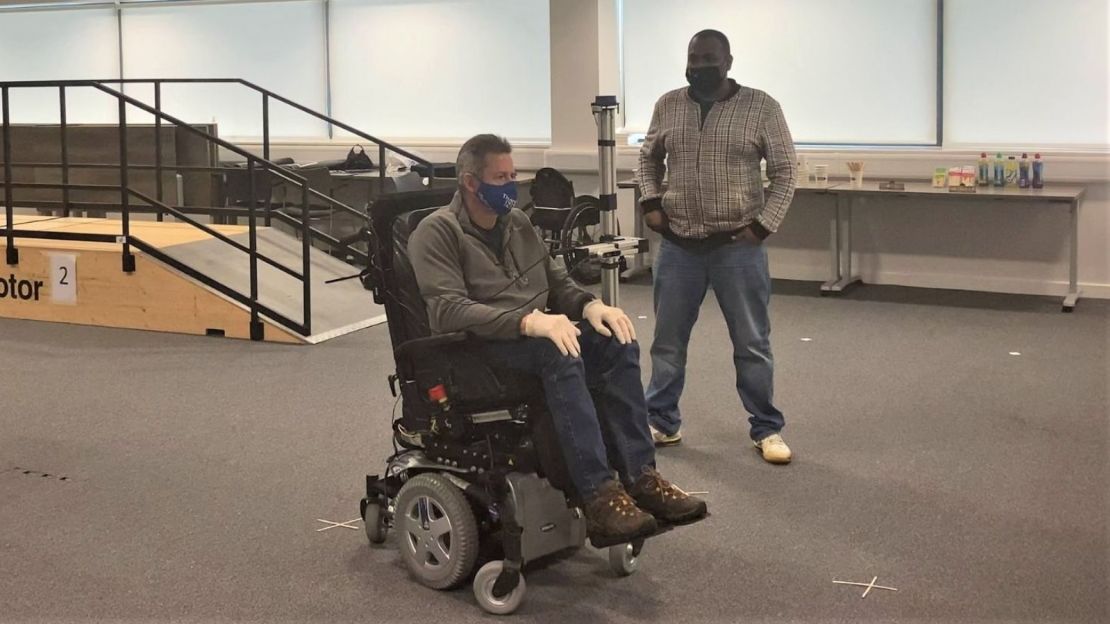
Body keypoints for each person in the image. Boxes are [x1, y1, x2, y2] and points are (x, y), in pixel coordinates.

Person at [409, 134, 708, 545]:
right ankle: (598, 495)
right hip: (478, 347)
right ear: (470, 182)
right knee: (559, 352)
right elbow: (446, 310)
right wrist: (527, 323)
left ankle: (641, 477)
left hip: (535, 334)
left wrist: (589, 306)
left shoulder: (516, 223)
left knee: (614, 340)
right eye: (501, 177)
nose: (510, 186)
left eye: (513, 175)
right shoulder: (437, 231)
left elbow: (556, 282)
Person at [638, 29, 798, 464]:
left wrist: (763, 227)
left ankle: (767, 428)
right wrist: (651, 202)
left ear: (728, 61)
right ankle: (662, 421)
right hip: (678, 246)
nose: (700, 64)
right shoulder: (668, 104)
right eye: (694, 56)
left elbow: (786, 171)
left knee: (751, 343)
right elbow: (648, 158)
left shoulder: (761, 107)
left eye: (709, 57)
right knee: (668, 342)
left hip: (737, 248)